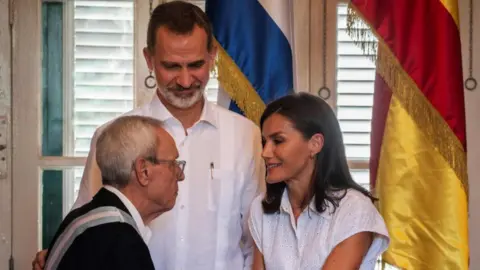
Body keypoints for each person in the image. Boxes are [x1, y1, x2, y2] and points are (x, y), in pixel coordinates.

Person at [33, 1, 264, 270]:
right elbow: (92, 226)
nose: (186, 81)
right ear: (149, 59)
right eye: (172, 66)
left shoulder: (247, 136)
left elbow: (255, 241)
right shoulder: (113, 137)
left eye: (196, 65)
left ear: (213, 56)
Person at [248, 93, 390, 270]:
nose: (265, 153)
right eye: (264, 142)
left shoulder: (354, 209)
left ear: (315, 144)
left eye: (278, 141)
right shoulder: (261, 207)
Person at [42, 115, 185, 270]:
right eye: (172, 164)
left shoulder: (89, 219)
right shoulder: (120, 240)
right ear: (143, 171)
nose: (181, 175)